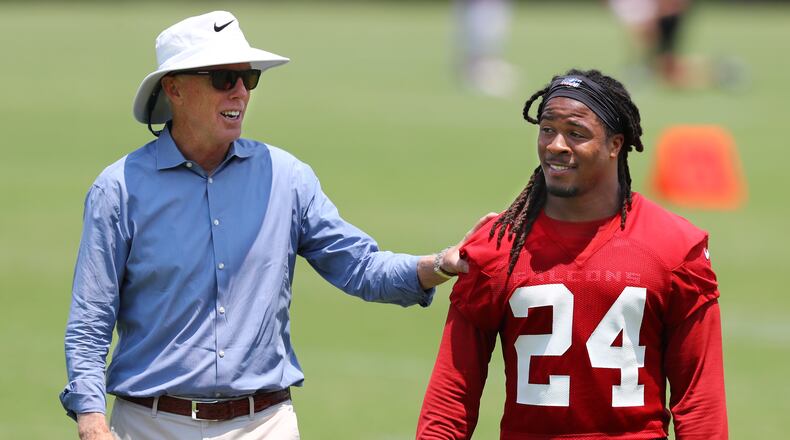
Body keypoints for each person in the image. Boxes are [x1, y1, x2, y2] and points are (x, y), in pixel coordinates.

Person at [61, 11, 490, 440]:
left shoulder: (287, 178)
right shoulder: (118, 190)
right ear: (174, 89)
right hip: (149, 426)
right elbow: (90, 321)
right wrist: (92, 419)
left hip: (264, 425)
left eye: (248, 78)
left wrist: (441, 264)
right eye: (223, 78)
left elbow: (360, 267)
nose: (240, 91)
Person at [417, 69, 728, 439]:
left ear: (615, 145)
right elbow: (452, 395)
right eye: (547, 129)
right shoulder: (498, 246)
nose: (556, 145)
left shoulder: (674, 246)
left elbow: (700, 401)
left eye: (576, 133)